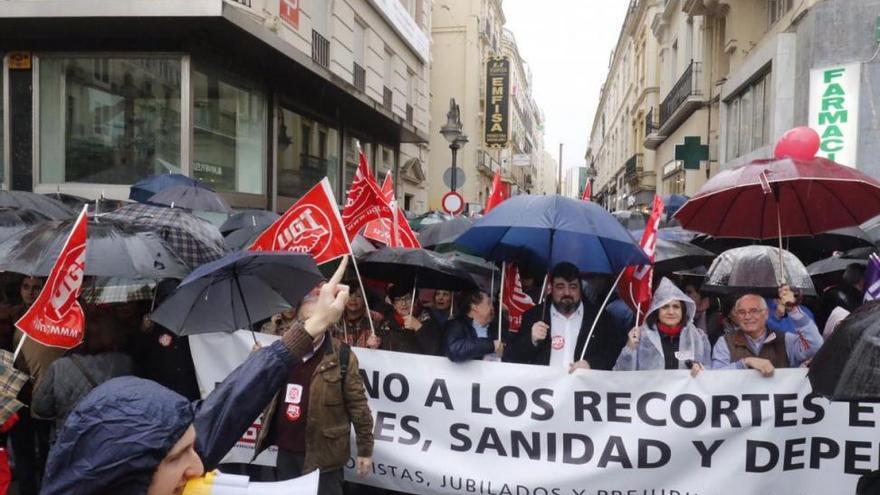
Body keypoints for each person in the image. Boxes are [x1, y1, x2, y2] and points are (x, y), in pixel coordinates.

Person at [40, 257, 352, 495]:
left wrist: (313, 326)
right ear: (124, 476)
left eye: (192, 448)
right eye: (178, 457)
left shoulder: (161, 456)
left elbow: (228, 408)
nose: (199, 466)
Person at [254, 297, 373, 495]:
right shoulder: (282, 351)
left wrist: (365, 450)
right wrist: (258, 363)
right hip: (287, 452)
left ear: (326, 321)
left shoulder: (342, 356)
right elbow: (262, 393)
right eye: (303, 321)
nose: (309, 326)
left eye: (315, 318)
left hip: (325, 458)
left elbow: (358, 406)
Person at [31, 311, 134, 443]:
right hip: (111, 440)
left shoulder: (59, 366)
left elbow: (41, 408)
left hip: (69, 440)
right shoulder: (125, 364)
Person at [504, 262, 624, 372]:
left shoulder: (599, 318)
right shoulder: (534, 315)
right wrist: (531, 339)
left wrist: (591, 364)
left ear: (580, 288)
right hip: (543, 391)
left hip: (582, 390)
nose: (567, 293)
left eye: (573, 287)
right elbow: (511, 356)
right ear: (551, 288)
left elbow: (614, 353)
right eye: (560, 287)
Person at [712, 287, 823, 375]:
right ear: (735, 316)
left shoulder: (784, 339)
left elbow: (815, 346)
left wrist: (792, 309)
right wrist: (745, 363)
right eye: (741, 312)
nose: (747, 316)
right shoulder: (725, 342)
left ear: (766, 314)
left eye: (754, 311)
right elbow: (715, 377)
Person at [614, 278, 710, 375]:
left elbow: (710, 373)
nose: (671, 312)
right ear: (656, 310)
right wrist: (629, 348)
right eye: (665, 307)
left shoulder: (696, 337)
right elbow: (619, 375)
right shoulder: (641, 336)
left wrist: (700, 370)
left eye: (676, 307)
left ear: (683, 311)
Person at [376, 283, 442, 355]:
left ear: (415, 301)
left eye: (407, 298)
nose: (403, 303)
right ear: (394, 305)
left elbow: (434, 349)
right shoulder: (387, 322)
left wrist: (419, 327)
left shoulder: (428, 319)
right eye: (398, 300)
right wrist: (374, 346)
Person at [444, 290, 504, 362]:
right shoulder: (456, 324)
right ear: (475, 307)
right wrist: (491, 345)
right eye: (488, 303)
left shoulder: (497, 328)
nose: (492, 308)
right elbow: (454, 349)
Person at [333, 285, 380, 349]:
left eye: (358, 296)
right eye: (349, 295)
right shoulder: (334, 318)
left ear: (365, 298)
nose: (353, 299)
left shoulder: (377, 318)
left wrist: (377, 345)